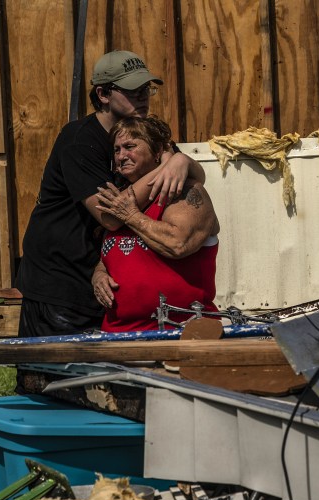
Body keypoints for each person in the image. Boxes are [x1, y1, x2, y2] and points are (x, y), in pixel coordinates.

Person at [15, 50, 204, 337]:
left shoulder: (144, 134)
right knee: (55, 378)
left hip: (102, 279)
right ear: (103, 94)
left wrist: (182, 161)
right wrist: (165, 165)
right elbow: (110, 217)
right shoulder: (79, 141)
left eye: (147, 89)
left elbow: (198, 177)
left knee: (106, 376)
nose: (143, 96)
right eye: (133, 90)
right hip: (60, 282)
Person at [92, 116, 220, 331]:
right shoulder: (125, 200)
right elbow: (118, 252)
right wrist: (99, 274)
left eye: (130, 147)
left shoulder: (185, 192)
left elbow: (178, 244)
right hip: (117, 334)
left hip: (178, 333)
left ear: (157, 151)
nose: (121, 156)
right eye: (117, 150)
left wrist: (131, 216)